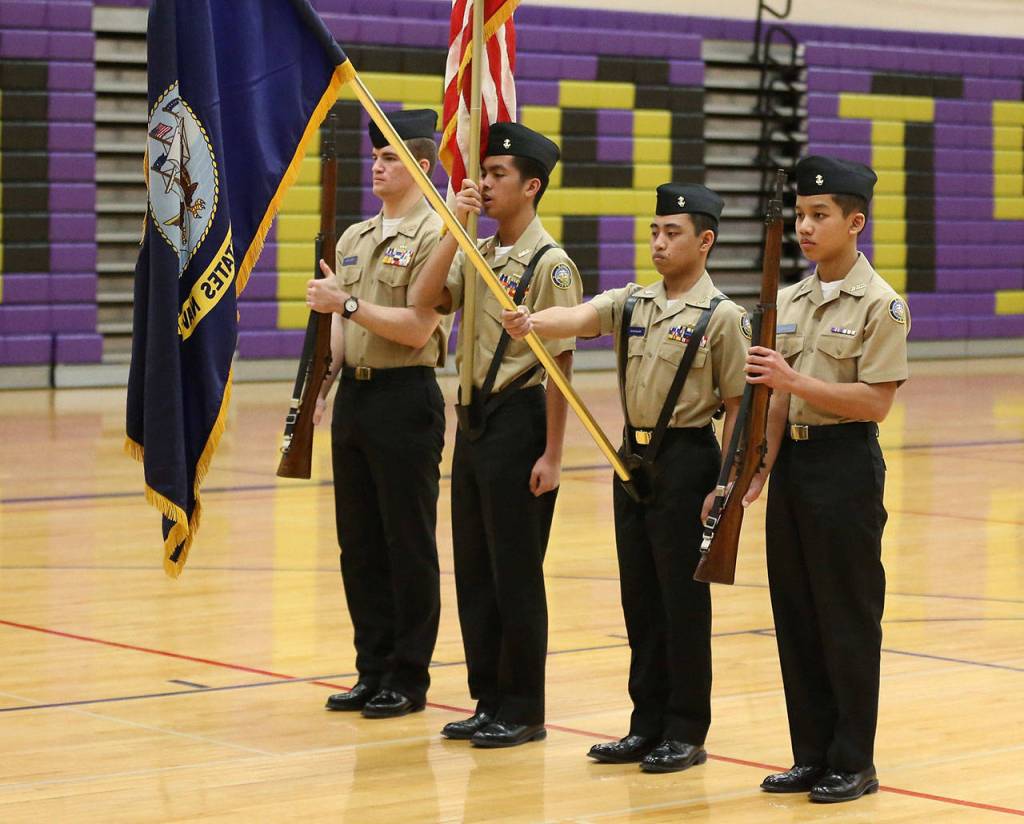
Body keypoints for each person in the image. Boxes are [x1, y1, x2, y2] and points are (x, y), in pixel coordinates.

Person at [501, 183, 748, 772]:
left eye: (673, 233)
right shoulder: (634, 301)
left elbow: (739, 404)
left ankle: (685, 728)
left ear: (705, 241)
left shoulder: (723, 317)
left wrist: (727, 483)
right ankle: (646, 723)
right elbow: (581, 316)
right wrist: (532, 319)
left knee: (681, 602)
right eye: (655, 231)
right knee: (639, 597)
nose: (659, 243)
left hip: (689, 461)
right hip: (630, 462)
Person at [409, 121, 582, 748]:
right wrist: (455, 234)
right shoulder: (478, 251)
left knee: (515, 572)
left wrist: (554, 455)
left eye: (498, 174)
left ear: (531, 186)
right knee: (476, 569)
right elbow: (425, 297)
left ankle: (524, 707)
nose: (484, 182)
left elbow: (561, 364)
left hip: (520, 419)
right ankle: (488, 698)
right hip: (473, 421)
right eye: (483, 172)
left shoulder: (549, 264)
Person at [743, 155, 910, 803]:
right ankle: (810, 753)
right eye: (801, 216)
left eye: (820, 216)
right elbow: (777, 402)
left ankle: (853, 760)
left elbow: (875, 402)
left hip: (845, 468)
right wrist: (757, 467)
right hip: (795, 469)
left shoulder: (881, 305)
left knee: (845, 615)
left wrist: (792, 380)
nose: (805, 228)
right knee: (797, 614)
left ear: (855, 222)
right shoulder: (790, 299)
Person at [305, 109, 449, 719]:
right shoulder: (354, 238)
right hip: (358, 401)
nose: (377, 165)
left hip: (405, 397)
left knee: (406, 542)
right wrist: (321, 386)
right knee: (358, 544)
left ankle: (408, 676)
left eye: (390, 157)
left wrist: (348, 301)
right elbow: (342, 329)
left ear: (420, 164)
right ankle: (371, 667)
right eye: (375, 156)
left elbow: (418, 329)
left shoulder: (439, 236)